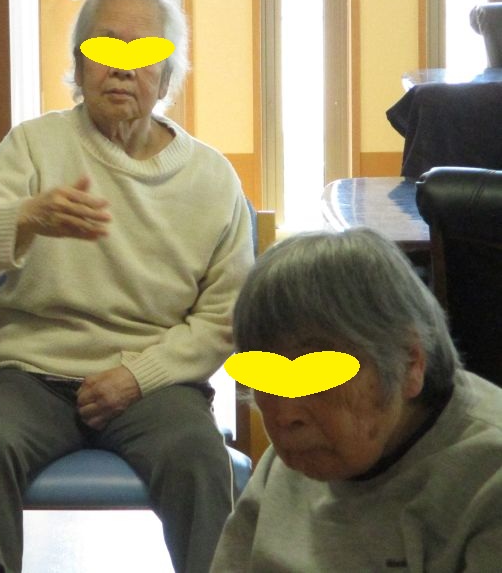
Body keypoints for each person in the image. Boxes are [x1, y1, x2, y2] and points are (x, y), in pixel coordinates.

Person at [0, 0, 254, 573]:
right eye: (105, 48)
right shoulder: (34, 145)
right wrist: (25, 217)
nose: (122, 69)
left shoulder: (211, 178)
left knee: (199, 457)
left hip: (156, 382)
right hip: (32, 377)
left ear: (166, 75)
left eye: (143, 53)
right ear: (80, 64)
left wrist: (138, 376)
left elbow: (227, 314)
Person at [210, 227, 502, 572]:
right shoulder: (299, 455)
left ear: (410, 363)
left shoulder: (488, 478)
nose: (285, 414)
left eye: (318, 373)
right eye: (268, 375)